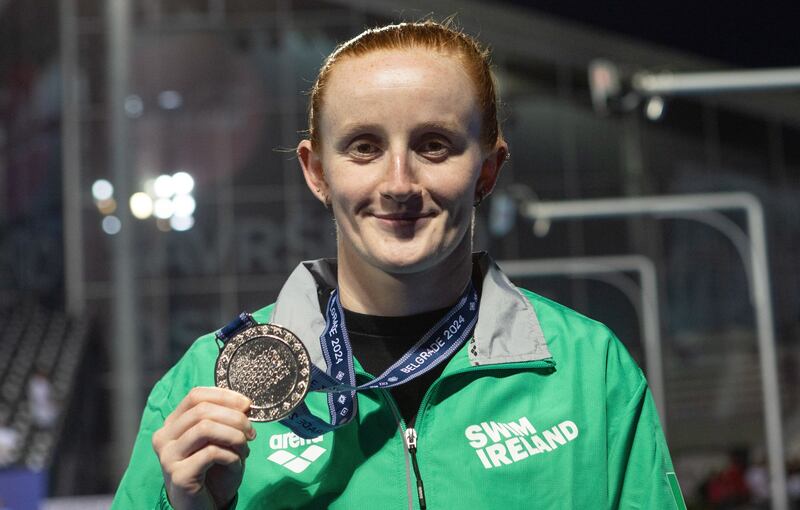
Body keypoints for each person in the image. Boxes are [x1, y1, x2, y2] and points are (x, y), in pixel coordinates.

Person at [112, 20, 684, 509]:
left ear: (487, 169)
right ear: (317, 173)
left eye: (434, 145)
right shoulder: (205, 384)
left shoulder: (587, 371)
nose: (399, 184)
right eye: (364, 146)